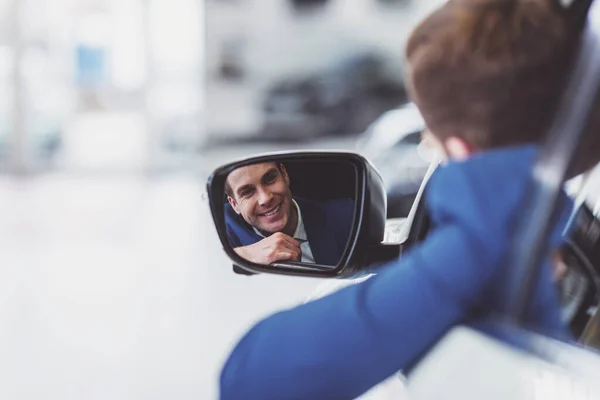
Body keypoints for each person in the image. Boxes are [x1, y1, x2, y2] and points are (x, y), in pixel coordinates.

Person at [219, 1, 600, 399]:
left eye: (428, 137)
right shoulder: (527, 229)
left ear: (461, 150)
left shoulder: (477, 250)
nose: (423, 143)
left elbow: (249, 378)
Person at [224, 161, 355, 266]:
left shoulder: (346, 215)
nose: (265, 198)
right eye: (247, 192)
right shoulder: (220, 226)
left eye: (270, 179)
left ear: (285, 175)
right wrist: (248, 255)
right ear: (234, 205)